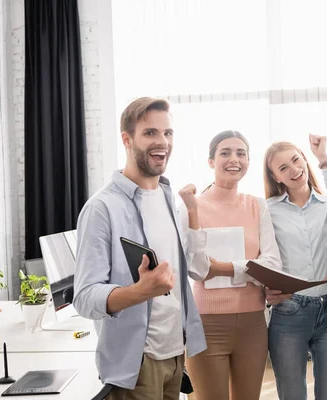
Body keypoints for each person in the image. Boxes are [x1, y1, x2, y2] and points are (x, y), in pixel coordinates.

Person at [73, 97, 207, 400]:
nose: (162, 142)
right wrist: (140, 291)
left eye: (168, 133)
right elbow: (83, 297)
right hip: (137, 363)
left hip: (176, 356)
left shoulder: (170, 200)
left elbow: (190, 271)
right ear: (127, 139)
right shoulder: (101, 208)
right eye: (150, 133)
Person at [181, 130, 282, 400]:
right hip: (206, 323)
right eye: (225, 152)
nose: (233, 159)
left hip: (253, 324)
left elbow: (272, 264)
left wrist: (223, 267)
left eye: (241, 153)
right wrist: (249, 268)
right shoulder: (192, 206)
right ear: (211, 161)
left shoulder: (257, 206)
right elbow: (197, 268)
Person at [263, 134, 327, 400]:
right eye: (283, 168)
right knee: (291, 395)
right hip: (289, 311)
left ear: (304, 159)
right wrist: (265, 291)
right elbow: (262, 257)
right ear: (276, 177)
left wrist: (324, 160)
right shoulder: (267, 210)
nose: (294, 169)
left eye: (295, 160)